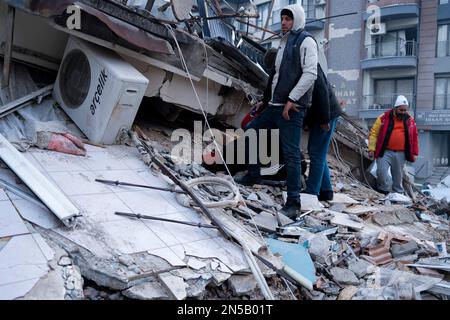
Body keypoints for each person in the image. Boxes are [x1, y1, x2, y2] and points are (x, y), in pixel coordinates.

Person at [235, 3, 318, 219]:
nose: (284, 22)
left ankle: (293, 203)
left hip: (291, 110)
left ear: (297, 20)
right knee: (251, 130)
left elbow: (310, 74)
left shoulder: (306, 41)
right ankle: (253, 175)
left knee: (291, 154)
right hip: (274, 107)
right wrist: (264, 101)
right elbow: (276, 76)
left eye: (288, 19)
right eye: (282, 18)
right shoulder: (283, 42)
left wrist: (292, 99)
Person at [304, 64, 342, 201]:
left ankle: (312, 192)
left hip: (326, 115)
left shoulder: (310, 66)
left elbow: (321, 93)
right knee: (317, 152)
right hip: (321, 114)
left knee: (316, 153)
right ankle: (326, 190)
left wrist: (324, 119)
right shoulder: (307, 65)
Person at [368, 95, 419, 194]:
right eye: (401, 110)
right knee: (381, 172)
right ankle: (384, 190)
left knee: (398, 176)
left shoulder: (410, 120)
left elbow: (415, 137)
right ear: (395, 108)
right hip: (385, 151)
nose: (403, 112)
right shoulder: (383, 117)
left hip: (401, 153)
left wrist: (415, 153)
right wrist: (371, 148)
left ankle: (397, 194)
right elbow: (374, 133)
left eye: (405, 110)